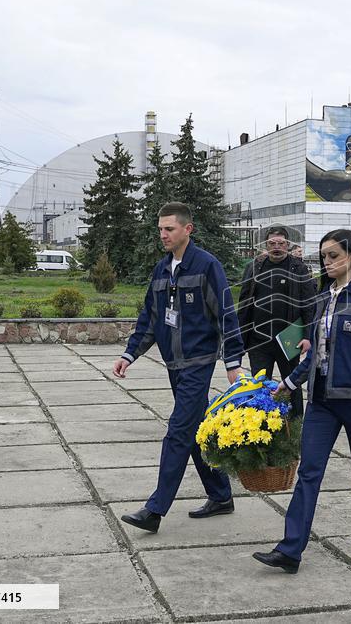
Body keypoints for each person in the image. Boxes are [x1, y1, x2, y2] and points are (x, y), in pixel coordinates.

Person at [254, 230, 351, 574]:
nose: (327, 263)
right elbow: (315, 353)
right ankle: (290, 550)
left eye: (333, 256)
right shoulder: (322, 299)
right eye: (324, 257)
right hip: (321, 401)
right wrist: (287, 384)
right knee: (308, 472)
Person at [114, 202, 244, 534]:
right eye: (160, 229)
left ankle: (155, 510)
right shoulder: (161, 270)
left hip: (198, 363)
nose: (163, 234)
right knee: (198, 431)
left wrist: (233, 362)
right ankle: (221, 495)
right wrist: (130, 355)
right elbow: (150, 318)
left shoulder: (206, 266)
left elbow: (227, 314)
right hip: (173, 364)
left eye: (169, 229)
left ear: (188, 229)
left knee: (177, 433)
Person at [236, 225, 316, 419]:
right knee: (259, 385)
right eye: (272, 243)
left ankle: (296, 426)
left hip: (289, 340)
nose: (277, 247)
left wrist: (307, 336)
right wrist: (239, 336)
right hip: (259, 340)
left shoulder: (299, 268)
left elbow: (309, 305)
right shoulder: (255, 267)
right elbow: (245, 303)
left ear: (287, 245)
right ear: (266, 244)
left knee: (292, 385)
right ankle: (260, 425)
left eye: (281, 243)